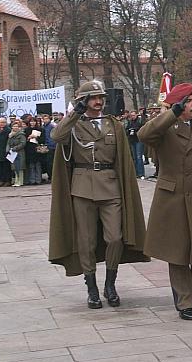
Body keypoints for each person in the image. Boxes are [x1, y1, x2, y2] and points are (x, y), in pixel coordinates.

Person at [49, 80, 148, 309]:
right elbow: (56, 137)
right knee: (87, 241)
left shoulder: (113, 124)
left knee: (114, 237)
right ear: (83, 101)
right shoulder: (73, 125)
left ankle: (110, 284)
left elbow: (122, 159)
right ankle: (91, 287)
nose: (98, 101)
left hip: (110, 186)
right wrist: (75, 113)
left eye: (100, 97)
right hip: (82, 187)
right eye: (93, 98)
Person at [138, 83, 192, 321]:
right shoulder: (165, 127)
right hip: (172, 198)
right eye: (188, 101)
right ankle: (184, 301)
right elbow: (143, 135)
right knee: (177, 253)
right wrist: (171, 114)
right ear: (178, 106)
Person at [125, 110, 146, 179]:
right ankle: (136, 173)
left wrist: (135, 130)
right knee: (134, 158)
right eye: (131, 116)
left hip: (138, 140)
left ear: (136, 115)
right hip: (132, 140)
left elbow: (142, 129)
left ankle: (141, 173)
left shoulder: (139, 121)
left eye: (134, 115)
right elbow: (126, 130)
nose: (132, 117)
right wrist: (129, 130)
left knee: (139, 157)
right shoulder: (130, 122)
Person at [24, 117, 44, 185]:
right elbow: (24, 140)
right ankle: (32, 180)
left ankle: (38, 180)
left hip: (37, 148)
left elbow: (43, 140)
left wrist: (36, 137)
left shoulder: (40, 129)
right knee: (31, 165)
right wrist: (28, 138)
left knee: (38, 165)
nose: (32, 123)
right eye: (31, 122)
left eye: (34, 121)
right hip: (29, 149)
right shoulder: (26, 130)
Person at [7, 121, 26, 187]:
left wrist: (15, 148)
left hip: (19, 152)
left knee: (20, 167)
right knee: (14, 167)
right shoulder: (10, 135)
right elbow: (8, 143)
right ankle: (16, 181)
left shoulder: (21, 134)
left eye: (16, 126)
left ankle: (20, 181)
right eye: (14, 126)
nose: (15, 127)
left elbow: (23, 143)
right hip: (12, 153)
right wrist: (8, 150)